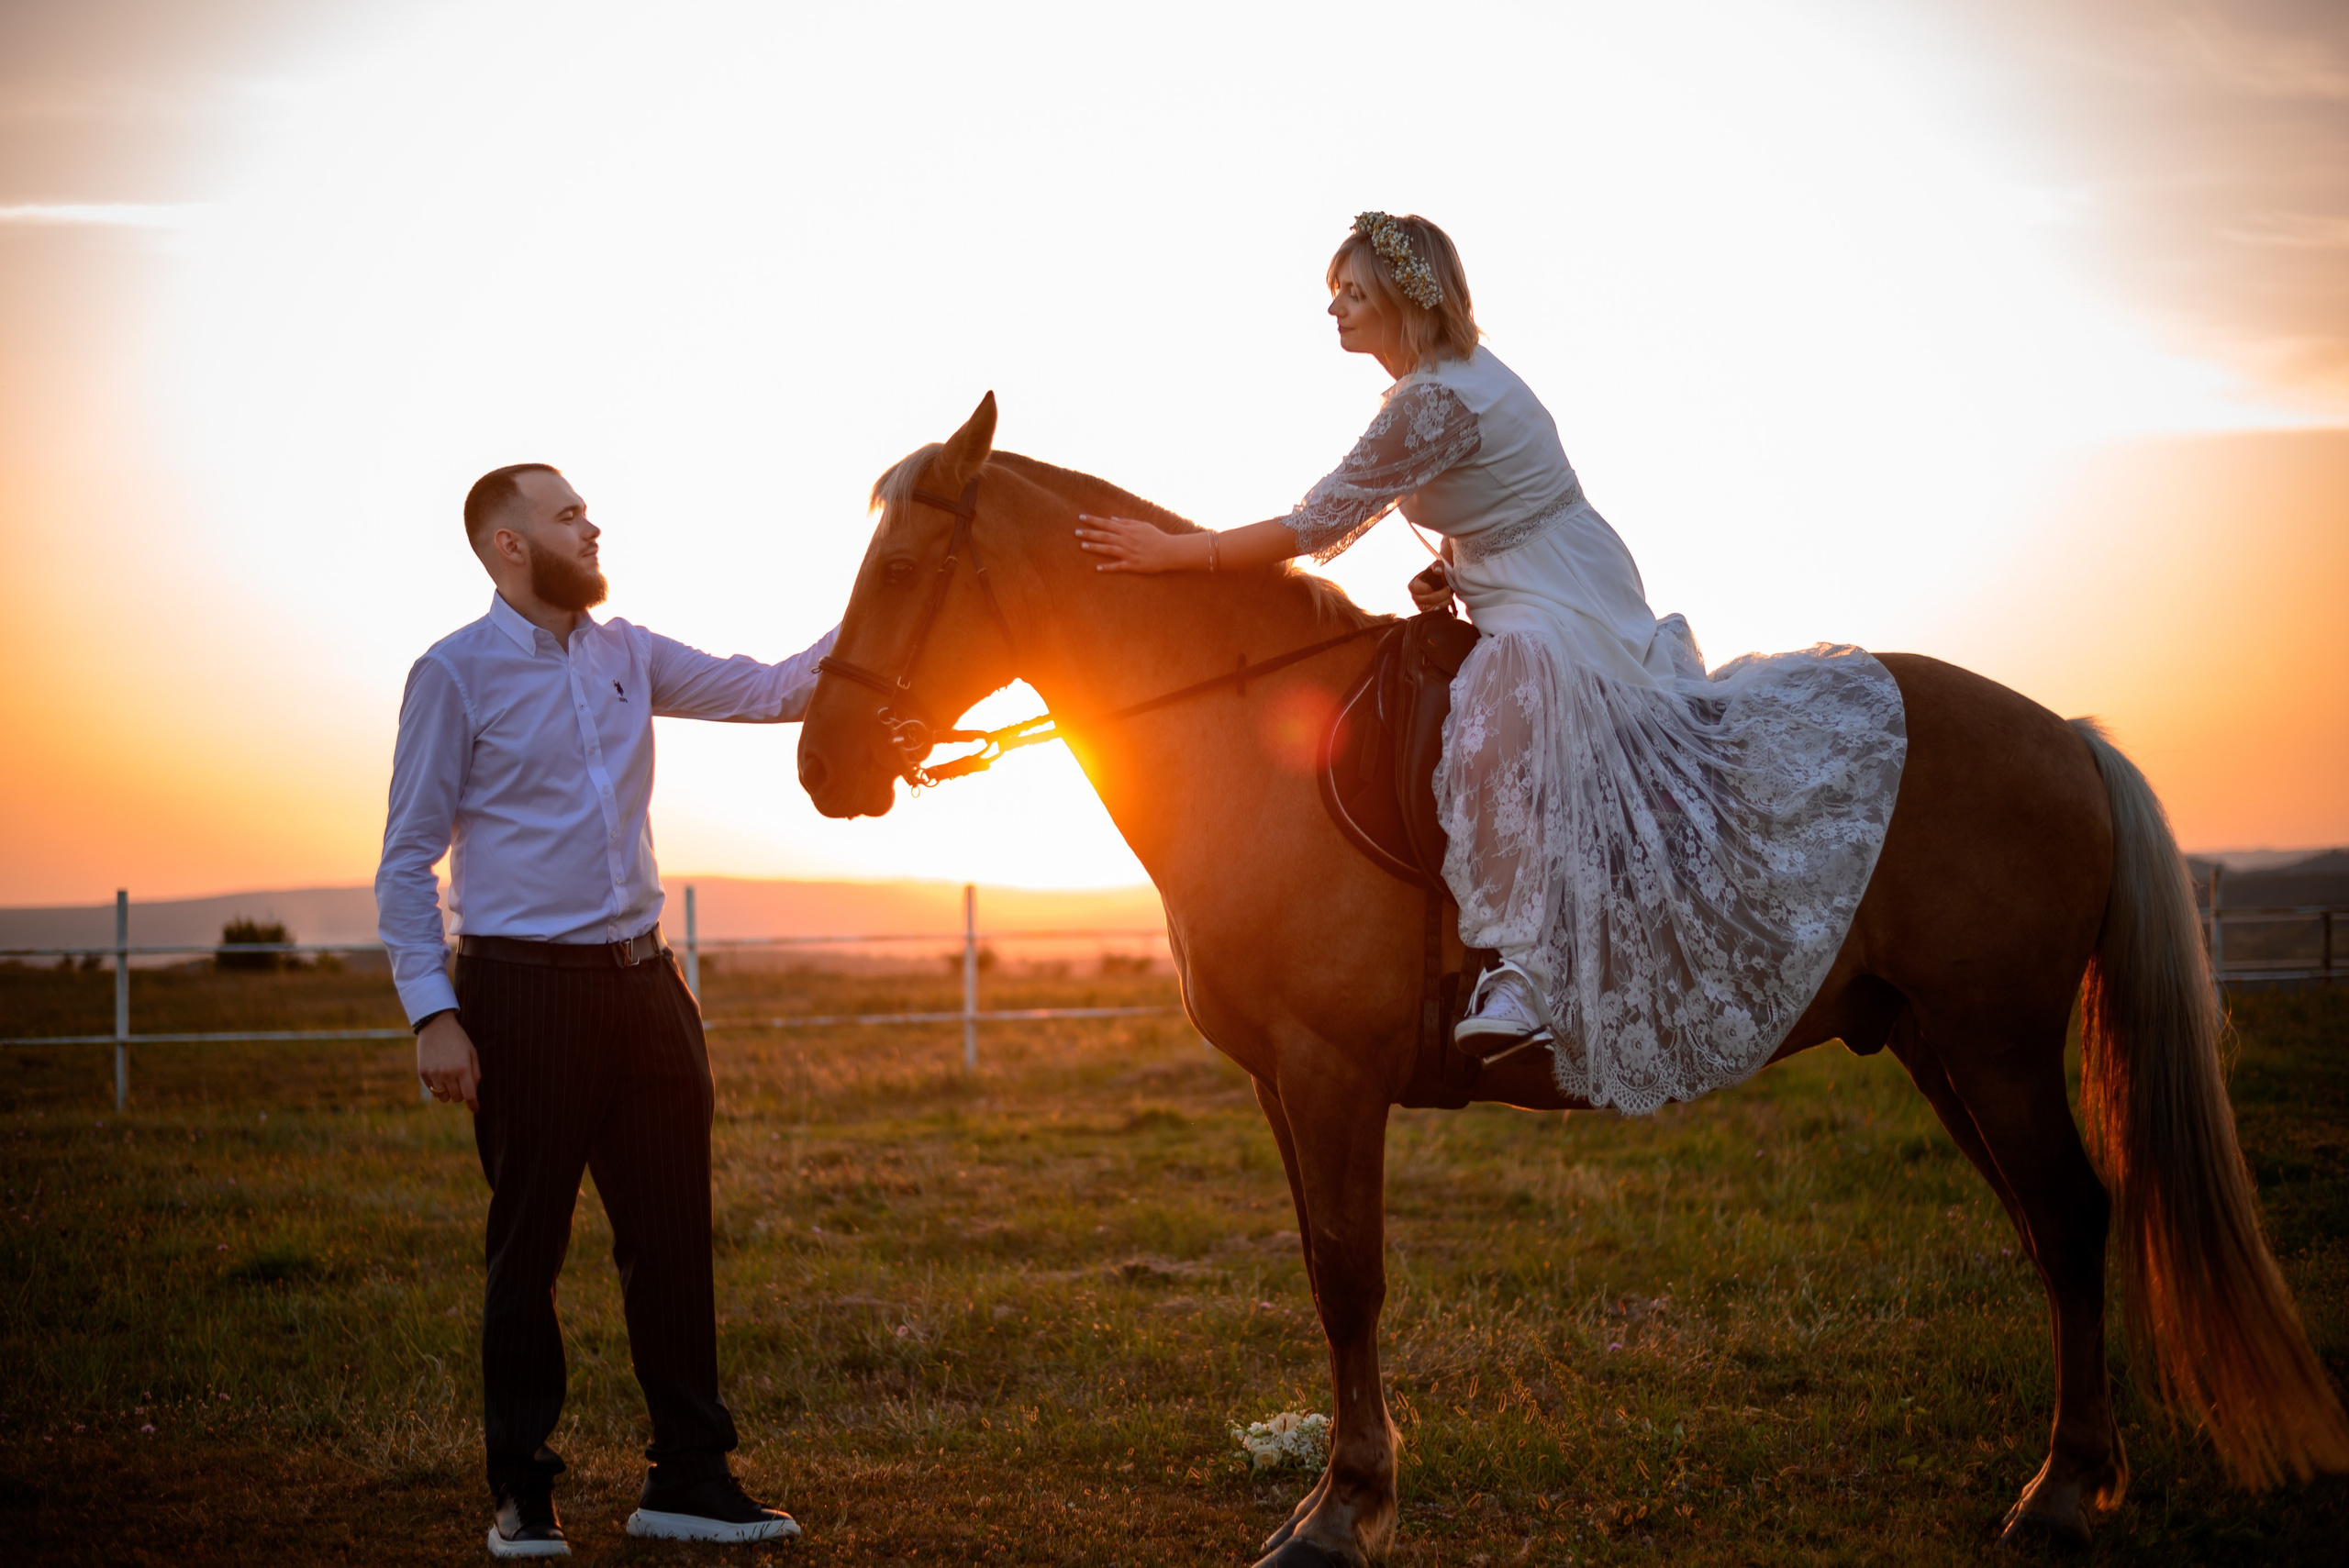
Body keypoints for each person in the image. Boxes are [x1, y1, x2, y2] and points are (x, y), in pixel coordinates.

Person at [1074, 213, 1906, 1116]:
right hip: (1541, 570)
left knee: (1490, 728)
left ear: (1403, 297)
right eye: (1333, 292)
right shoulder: (1442, 384)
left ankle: (1528, 976)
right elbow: (1497, 500)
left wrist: (1172, 553)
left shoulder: (1432, 402)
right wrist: (1456, 567)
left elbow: (1314, 525)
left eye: (1351, 292)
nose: (1334, 309)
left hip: (1551, 596)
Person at [376, 463, 836, 1558]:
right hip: (520, 993)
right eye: (567, 513)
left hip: (648, 987)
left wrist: (892, 589)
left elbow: (774, 687)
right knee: (525, 1248)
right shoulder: (453, 673)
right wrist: (431, 1011)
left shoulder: (629, 651)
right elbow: (406, 860)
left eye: (587, 510)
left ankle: (690, 1475)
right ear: (508, 546)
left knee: (673, 1239)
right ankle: (522, 1489)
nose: (592, 523)